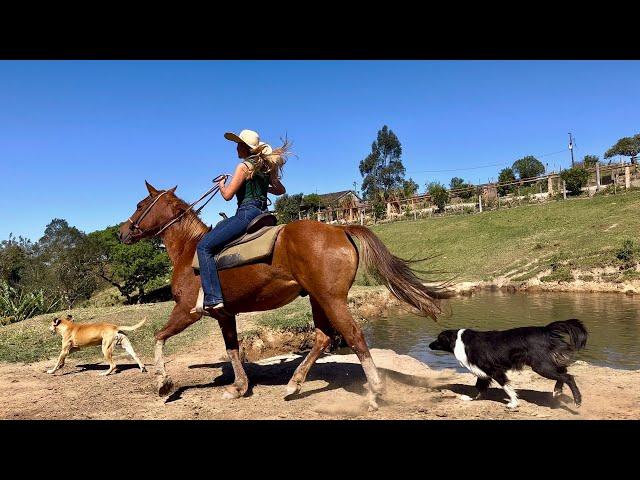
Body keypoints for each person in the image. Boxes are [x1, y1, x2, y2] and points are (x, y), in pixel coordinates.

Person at [191, 129, 289, 316]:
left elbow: (227, 195)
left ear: (245, 147)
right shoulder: (265, 167)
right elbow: (281, 190)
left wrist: (221, 183)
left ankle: (213, 298)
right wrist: (262, 186)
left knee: (204, 246)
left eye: (238, 144)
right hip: (263, 213)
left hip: (247, 213)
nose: (236, 147)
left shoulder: (243, 167)